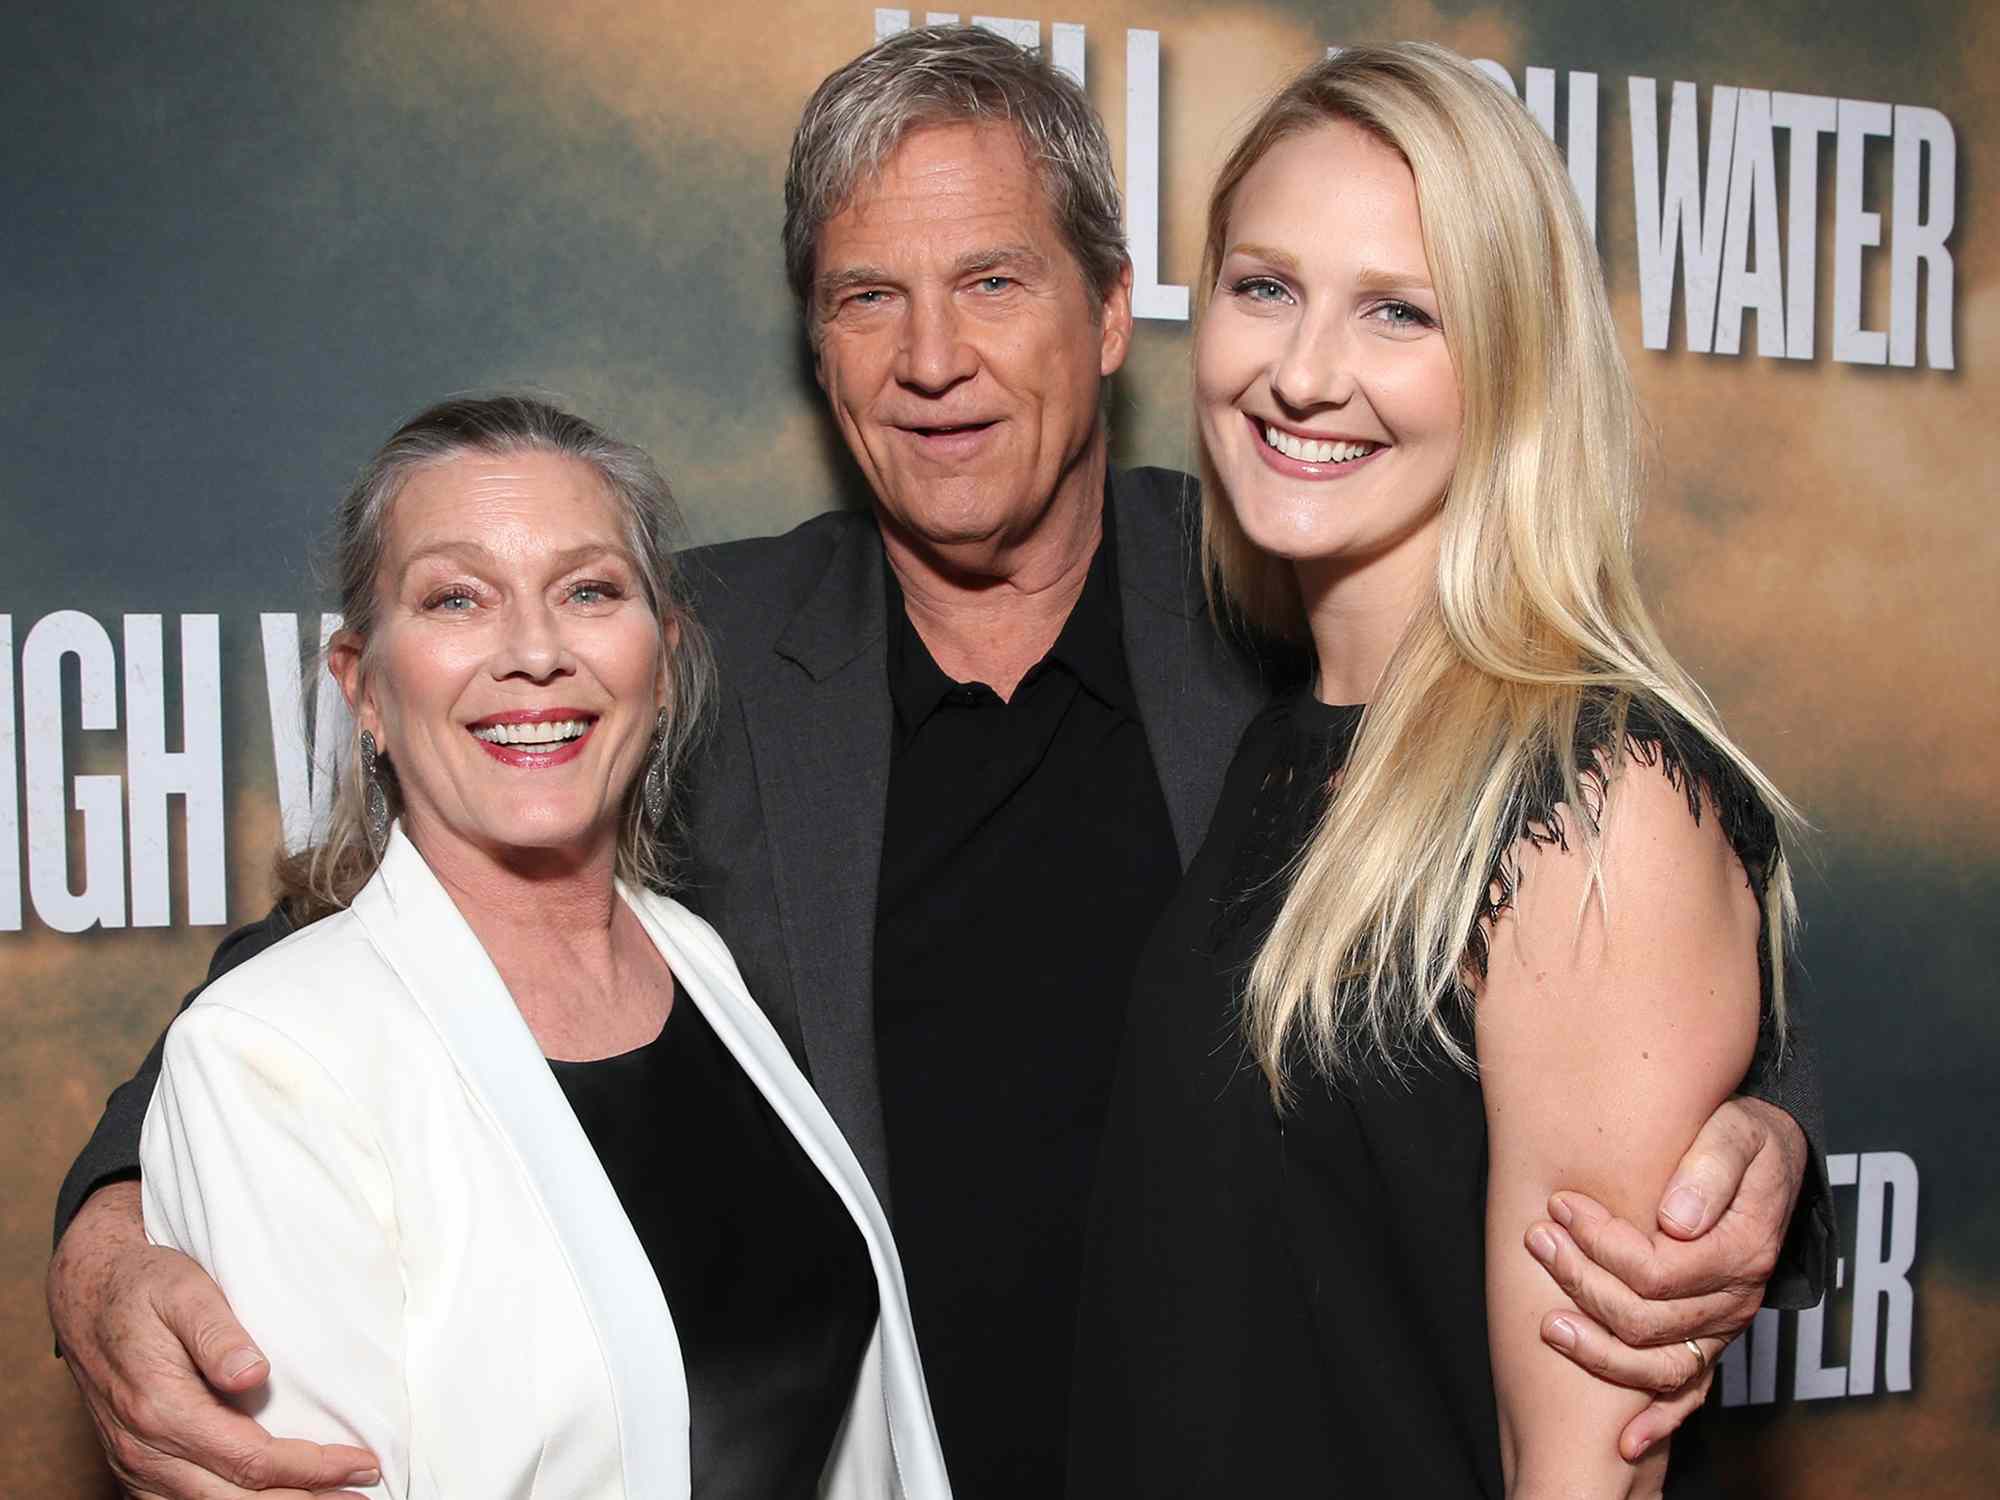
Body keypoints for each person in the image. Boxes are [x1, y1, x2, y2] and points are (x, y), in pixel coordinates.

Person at [46, 27, 1831, 1500]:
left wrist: (1757, 1148)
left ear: (1114, 311)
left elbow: (1556, 921)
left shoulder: (1293, 605)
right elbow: (332, 960)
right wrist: (115, 1244)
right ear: (814, 348)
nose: (932, 361)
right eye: (865, 299)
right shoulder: (688, 663)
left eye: (992, 280)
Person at [1070, 42, 1806, 1498]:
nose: (1301, 371)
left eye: (1398, 311)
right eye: (1262, 286)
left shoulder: (1595, 796)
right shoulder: (1293, 737)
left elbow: (1581, 1475)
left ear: (1515, 361)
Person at [134, 394, 949, 1498]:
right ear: (362, 687)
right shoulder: (267, 1056)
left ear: (660, 666)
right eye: (457, 597)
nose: (532, 653)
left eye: (587, 590)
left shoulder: (699, 963)